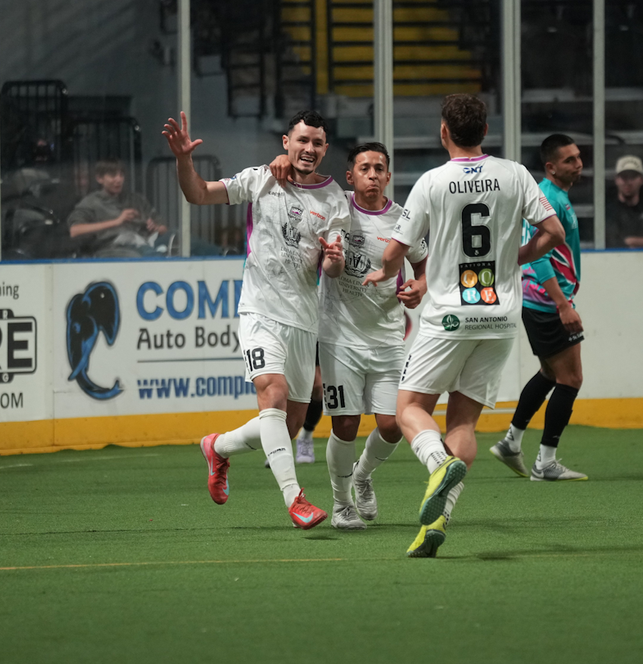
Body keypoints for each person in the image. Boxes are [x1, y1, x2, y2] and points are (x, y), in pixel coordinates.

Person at [362, 94, 563, 557]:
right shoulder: (514, 173)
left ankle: (436, 463)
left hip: (450, 313)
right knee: (464, 421)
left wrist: (383, 271)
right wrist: (515, 256)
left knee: (409, 406)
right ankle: (439, 520)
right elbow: (550, 234)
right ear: (485, 131)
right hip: (500, 314)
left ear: (444, 131)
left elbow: (396, 251)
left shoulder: (433, 182)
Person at [164, 109, 349, 530]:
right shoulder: (260, 178)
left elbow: (333, 269)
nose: (309, 149)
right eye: (302, 140)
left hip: (304, 321)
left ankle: (218, 446)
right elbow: (198, 194)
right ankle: (295, 498)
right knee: (274, 394)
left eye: (317, 143)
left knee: (292, 421)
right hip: (260, 310)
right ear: (286, 142)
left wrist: (334, 259)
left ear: (325, 149)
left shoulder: (335, 198)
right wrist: (183, 160)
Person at [271, 142, 429, 530]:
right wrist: (279, 160)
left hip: (389, 338)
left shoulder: (403, 220)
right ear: (350, 176)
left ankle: (361, 475)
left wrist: (419, 287)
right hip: (340, 338)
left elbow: (424, 266)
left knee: (392, 425)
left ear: (388, 176)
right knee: (345, 425)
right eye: (364, 168)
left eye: (379, 168)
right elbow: (297, 178)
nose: (372, 174)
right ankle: (342, 504)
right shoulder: (336, 207)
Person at [489, 133, 589, 483]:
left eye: (578, 157)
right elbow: (538, 256)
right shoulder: (547, 197)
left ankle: (511, 442)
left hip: (543, 299)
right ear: (550, 167)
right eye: (569, 160)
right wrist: (563, 304)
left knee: (550, 374)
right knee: (571, 378)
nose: (578, 164)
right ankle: (545, 462)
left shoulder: (557, 196)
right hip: (548, 301)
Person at [67, 160, 168, 258]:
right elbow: (75, 230)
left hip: (143, 243)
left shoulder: (136, 200)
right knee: (139, 257)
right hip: (109, 248)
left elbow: (164, 229)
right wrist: (117, 221)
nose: (118, 180)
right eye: (112, 175)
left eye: (121, 175)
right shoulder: (91, 202)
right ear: (99, 178)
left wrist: (155, 228)